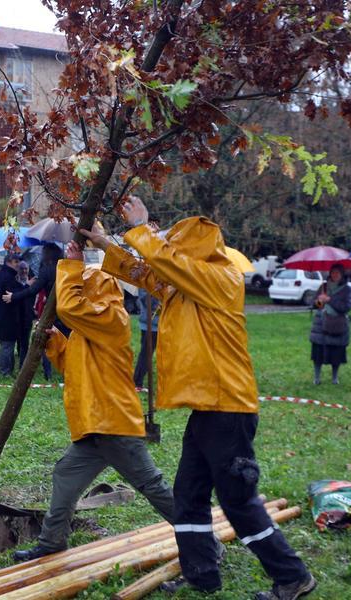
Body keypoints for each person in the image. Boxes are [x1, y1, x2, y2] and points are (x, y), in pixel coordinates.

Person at [83, 197, 314, 600]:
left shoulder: (221, 279)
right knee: (189, 496)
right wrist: (106, 246)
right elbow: (148, 274)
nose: (168, 246)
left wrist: (143, 228)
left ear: (194, 247)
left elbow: (168, 264)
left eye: (175, 241)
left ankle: (292, 575)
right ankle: (201, 573)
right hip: (208, 408)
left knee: (237, 501)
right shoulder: (187, 285)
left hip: (228, 409)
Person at [12, 241, 174, 562]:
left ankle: (201, 537)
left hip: (114, 423)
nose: (84, 292)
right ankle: (52, 542)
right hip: (95, 425)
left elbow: (70, 307)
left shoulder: (112, 319)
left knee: (152, 486)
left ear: (101, 289)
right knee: (66, 474)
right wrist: (55, 342)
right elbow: (74, 366)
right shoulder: (90, 329)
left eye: (88, 285)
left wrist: (71, 266)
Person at [2, 243, 63, 379]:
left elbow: (33, 290)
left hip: (52, 310)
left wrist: (14, 296)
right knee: (68, 339)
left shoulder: (47, 270)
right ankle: (67, 371)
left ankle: (48, 373)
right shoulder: (65, 267)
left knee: (46, 340)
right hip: (68, 308)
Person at [310, 263, 351, 385]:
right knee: (318, 352)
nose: (335, 275)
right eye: (333, 272)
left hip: (337, 325)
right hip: (321, 324)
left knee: (336, 353)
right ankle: (317, 377)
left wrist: (330, 300)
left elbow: (346, 307)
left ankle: (335, 377)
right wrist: (319, 301)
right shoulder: (323, 286)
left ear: (342, 274)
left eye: (337, 273)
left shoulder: (347, 289)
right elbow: (314, 305)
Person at [0, 253, 25, 376]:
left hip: (5, 315)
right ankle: (4, 372)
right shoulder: (7, 276)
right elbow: (13, 293)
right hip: (7, 316)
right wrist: (26, 287)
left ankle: (7, 370)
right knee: (7, 345)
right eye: (16, 262)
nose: (18, 265)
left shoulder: (5, 274)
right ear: (9, 262)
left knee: (8, 344)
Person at [133, 287, 159, 389]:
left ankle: (137, 381)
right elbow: (147, 301)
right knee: (146, 354)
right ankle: (137, 382)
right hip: (151, 324)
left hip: (154, 323)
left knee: (147, 353)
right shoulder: (146, 280)